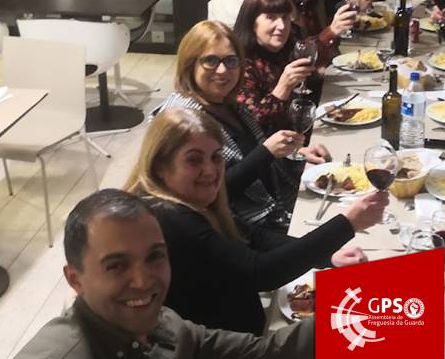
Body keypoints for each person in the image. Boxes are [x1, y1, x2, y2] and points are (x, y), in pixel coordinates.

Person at [124, 108, 390, 335]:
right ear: (160, 166)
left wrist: (328, 256)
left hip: (245, 336)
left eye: (216, 157)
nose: (210, 170)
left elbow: (254, 236)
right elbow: (260, 273)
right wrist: (347, 224)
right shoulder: (168, 218)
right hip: (226, 355)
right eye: (194, 160)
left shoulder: (190, 198)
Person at [9, 189, 315, 359]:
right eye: (116, 266)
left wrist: (347, 305)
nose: (143, 281)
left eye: (154, 256)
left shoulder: (165, 326)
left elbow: (268, 354)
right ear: (75, 279)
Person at [164, 20, 329, 228]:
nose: (222, 70)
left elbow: (251, 156)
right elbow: (210, 193)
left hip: (277, 208)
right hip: (244, 228)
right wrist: (266, 153)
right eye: (211, 60)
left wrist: (293, 153)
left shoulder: (229, 104)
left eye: (231, 60)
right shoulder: (183, 120)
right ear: (189, 65)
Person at [233, 0, 315, 134]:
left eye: (285, 17)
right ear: (251, 22)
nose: (282, 26)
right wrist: (283, 87)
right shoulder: (239, 65)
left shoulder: (286, 51)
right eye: (271, 17)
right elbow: (251, 127)